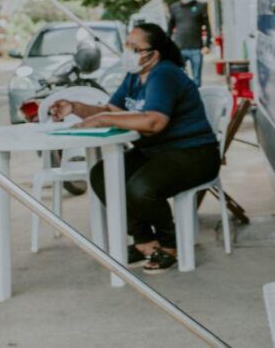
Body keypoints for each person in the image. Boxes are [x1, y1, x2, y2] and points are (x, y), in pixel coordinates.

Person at [51, 23, 220, 274]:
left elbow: (154, 122)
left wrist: (105, 120)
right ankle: (144, 241)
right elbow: (111, 110)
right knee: (101, 174)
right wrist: (75, 107)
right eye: (127, 46)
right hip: (156, 152)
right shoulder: (135, 75)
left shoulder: (164, 74)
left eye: (134, 47)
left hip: (193, 153)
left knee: (140, 188)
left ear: (154, 53)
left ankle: (171, 244)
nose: (127, 52)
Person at [167, 0, 212, 87]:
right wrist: (167, 45)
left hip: (196, 48)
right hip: (179, 48)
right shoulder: (174, 8)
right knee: (179, 75)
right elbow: (170, 28)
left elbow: (208, 27)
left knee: (196, 78)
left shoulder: (201, 6)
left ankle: (195, 100)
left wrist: (207, 45)